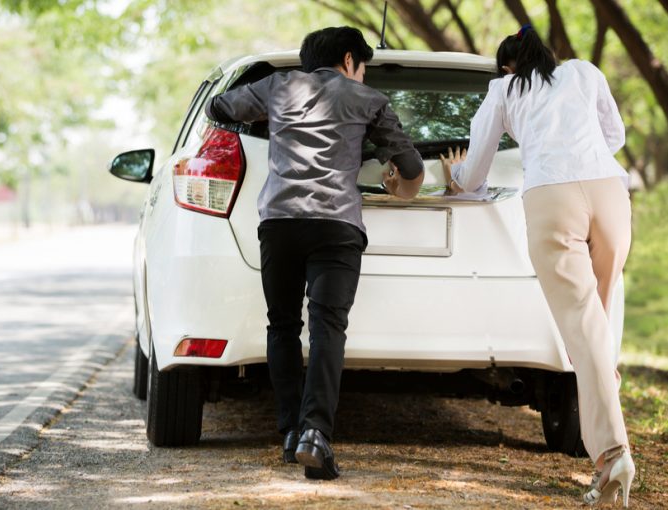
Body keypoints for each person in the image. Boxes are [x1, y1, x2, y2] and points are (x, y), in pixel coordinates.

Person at [205, 26, 424, 480]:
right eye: (362, 67)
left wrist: (271, 122)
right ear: (349, 60)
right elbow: (412, 167)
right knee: (327, 328)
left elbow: (218, 108)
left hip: (280, 224)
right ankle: (316, 435)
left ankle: (289, 433)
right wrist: (400, 189)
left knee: (282, 325)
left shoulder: (278, 86)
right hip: (337, 226)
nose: (361, 75)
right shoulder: (368, 100)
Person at [441, 24, 635, 507]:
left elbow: (476, 171)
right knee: (599, 330)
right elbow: (615, 134)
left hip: (553, 198)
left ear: (508, 65)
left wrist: (455, 175)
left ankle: (614, 455)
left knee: (584, 332)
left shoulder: (504, 89)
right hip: (610, 192)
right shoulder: (584, 73)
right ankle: (606, 457)